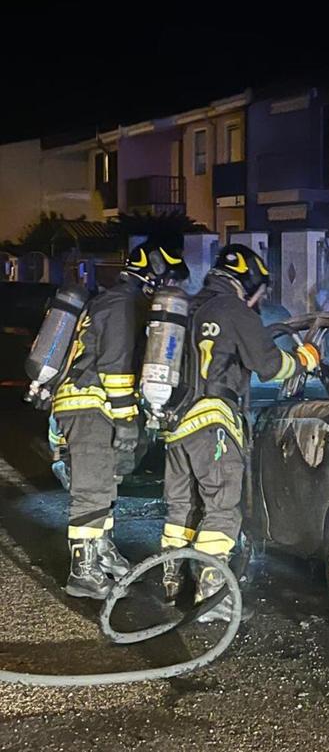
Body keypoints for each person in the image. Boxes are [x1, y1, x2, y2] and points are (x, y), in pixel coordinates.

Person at [160, 244, 319, 621]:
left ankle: (172, 580)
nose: (259, 300)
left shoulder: (188, 308)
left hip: (175, 425)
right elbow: (268, 365)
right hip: (213, 422)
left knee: (180, 507)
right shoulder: (233, 310)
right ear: (249, 282)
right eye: (260, 292)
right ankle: (213, 596)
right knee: (221, 509)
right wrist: (304, 361)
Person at [53, 242, 189, 599]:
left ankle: (101, 551)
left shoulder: (120, 300)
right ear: (154, 274)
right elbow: (114, 366)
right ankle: (82, 571)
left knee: (105, 482)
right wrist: (127, 418)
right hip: (90, 404)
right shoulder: (122, 304)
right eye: (167, 279)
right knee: (91, 488)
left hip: (93, 404)